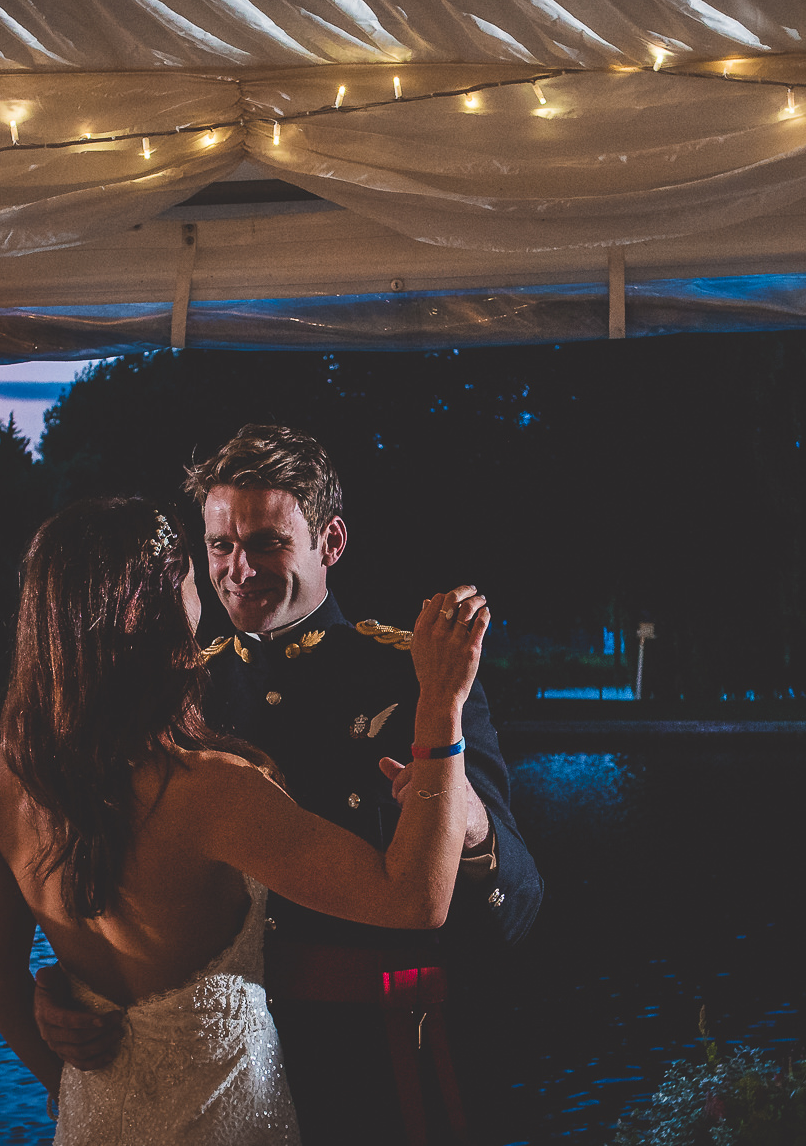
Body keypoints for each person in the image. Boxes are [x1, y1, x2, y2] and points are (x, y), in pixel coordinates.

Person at [34, 426, 543, 1146]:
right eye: (219, 545)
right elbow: (119, 878)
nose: (238, 569)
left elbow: (517, 908)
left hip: (377, 1067)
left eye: (268, 541)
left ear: (330, 541)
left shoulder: (416, 678)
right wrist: (64, 988)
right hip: (215, 1079)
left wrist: (472, 829)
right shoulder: (174, 692)